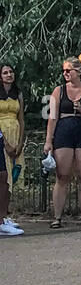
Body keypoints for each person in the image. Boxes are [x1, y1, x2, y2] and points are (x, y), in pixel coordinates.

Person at [43, 56, 81, 228]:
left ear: (78, 71)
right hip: (64, 130)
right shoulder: (58, 91)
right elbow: (52, 117)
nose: (65, 73)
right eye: (64, 70)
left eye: (69, 70)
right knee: (62, 175)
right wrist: (48, 140)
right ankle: (57, 217)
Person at [0, 64, 22, 236]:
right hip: (2, 136)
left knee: (10, 178)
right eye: (5, 72)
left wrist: (20, 142)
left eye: (11, 72)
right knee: (2, 176)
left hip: (15, 134)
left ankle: (4, 215)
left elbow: (21, 119)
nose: (9, 75)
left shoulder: (17, 94)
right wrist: (5, 142)